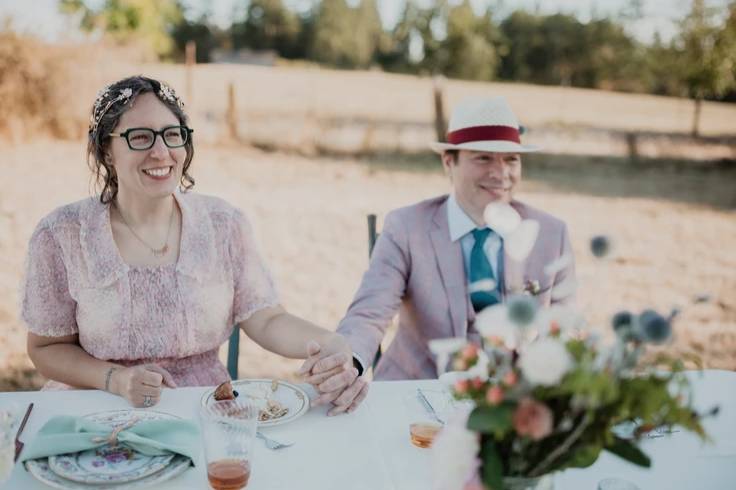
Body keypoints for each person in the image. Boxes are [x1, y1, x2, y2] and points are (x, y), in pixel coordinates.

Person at [20, 75, 350, 409]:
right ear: (107, 150)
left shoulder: (224, 224)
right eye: (140, 137)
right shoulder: (62, 234)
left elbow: (266, 319)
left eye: (172, 135)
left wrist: (330, 342)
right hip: (96, 407)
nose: (161, 152)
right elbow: (46, 348)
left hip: (203, 407)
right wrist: (115, 379)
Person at [301, 96, 576, 412]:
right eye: (484, 158)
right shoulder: (406, 227)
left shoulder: (551, 233)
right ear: (449, 161)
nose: (501, 174)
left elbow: (563, 330)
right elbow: (369, 313)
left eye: (511, 159)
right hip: (412, 399)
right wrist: (348, 361)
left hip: (513, 408)